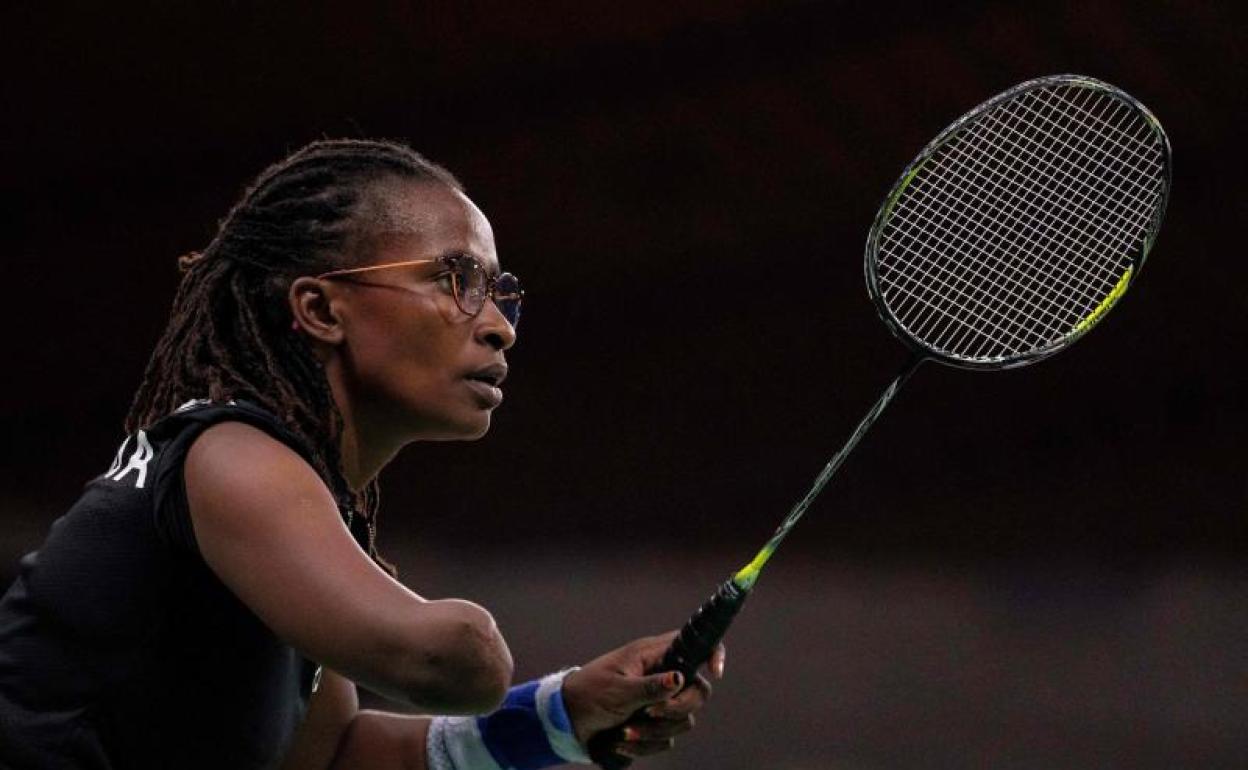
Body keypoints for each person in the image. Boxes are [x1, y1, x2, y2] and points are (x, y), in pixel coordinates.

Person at [0, 139, 724, 769]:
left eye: (501, 292)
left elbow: (333, 756)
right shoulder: (229, 457)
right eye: (455, 280)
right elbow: (441, 660)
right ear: (319, 310)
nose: (500, 326)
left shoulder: (285, 500)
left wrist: (566, 713)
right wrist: (473, 639)